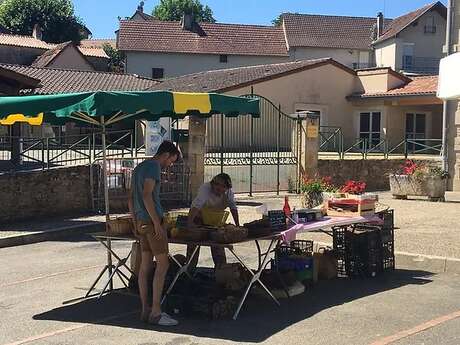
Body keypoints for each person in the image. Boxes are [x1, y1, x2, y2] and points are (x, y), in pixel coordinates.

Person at [127, 140, 180, 326]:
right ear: (165, 154)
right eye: (171, 161)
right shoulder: (153, 167)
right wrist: (157, 223)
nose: (170, 165)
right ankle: (156, 312)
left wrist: (135, 223)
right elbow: (146, 195)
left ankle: (145, 310)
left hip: (141, 222)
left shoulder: (139, 167)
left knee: (145, 266)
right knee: (163, 264)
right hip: (152, 220)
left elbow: (131, 198)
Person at [186, 173, 240, 270]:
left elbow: (233, 207)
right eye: (217, 187)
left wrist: (237, 225)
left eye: (223, 188)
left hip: (215, 220)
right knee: (193, 245)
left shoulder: (229, 193)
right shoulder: (205, 189)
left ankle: (221, 272)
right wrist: (190, 223)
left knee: (218, 245)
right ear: (213, 185)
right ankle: (189, 270)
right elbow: (197, 205)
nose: (219, 190)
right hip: (198, 217)